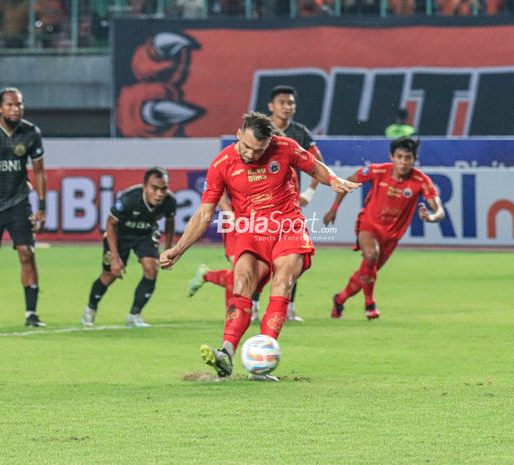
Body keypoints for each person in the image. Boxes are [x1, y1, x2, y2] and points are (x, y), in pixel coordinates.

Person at [160, 112, 359, 379]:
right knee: (241, 283)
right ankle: (226, 353)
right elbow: (204, 214)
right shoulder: (221, 164)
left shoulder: (284, 147)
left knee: (283, 281)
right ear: (239, 134)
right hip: (250, 231)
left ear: (270, 143)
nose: (252, 155)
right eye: (247, 147)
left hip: (288, 226)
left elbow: (315, 166)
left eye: (259, 150)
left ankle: (262, 361)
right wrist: (178, 249)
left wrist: (333, 180)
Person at [188, 85, 326, 323]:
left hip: (283, 206)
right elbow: (217, 185)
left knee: (290, 259)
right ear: (271, 106)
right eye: (282, 102)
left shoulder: (299, 133)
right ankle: (244, 306)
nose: (287, 107)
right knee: (248, 269)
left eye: (291, 103)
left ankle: (285, 307)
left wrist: (309, 193)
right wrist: (229, 212)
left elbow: (318, 163)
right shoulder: (256, 134)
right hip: (249, 216)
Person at [323, 136, 444, 320]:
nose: (403, 162)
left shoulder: (421, 180)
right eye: (399, 156)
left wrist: (431, 217)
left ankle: (340, 299)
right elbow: (348, 180)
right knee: (371, 255)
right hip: (368, 225)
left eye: (408, 158)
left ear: (414, 159)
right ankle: (370, 304)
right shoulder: (378, 170)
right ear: (392, 156)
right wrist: (333, 209)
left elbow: (439, 210)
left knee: (366, 271)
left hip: (392, 236)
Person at [0, 87, 47, 327]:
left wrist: (42, 207)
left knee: (27, 253)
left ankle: (31, 314)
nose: (16, 109)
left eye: (19, 105)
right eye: (11, 105)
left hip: (18, 203)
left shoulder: (31, 132)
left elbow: (39, 172)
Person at [81, 167, 176, 328]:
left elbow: (170, 222)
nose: (160, 193)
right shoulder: (129, 199)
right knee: (109, 275)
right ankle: (90, 309)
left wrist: (168, 250)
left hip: (145, 234)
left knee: (151, 269)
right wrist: (115, 258)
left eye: (163, 188)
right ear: (145, 187)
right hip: (119, 236)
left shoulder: (170, 201)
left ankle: (134, 315)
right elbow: (110, 224)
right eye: (155, 188)